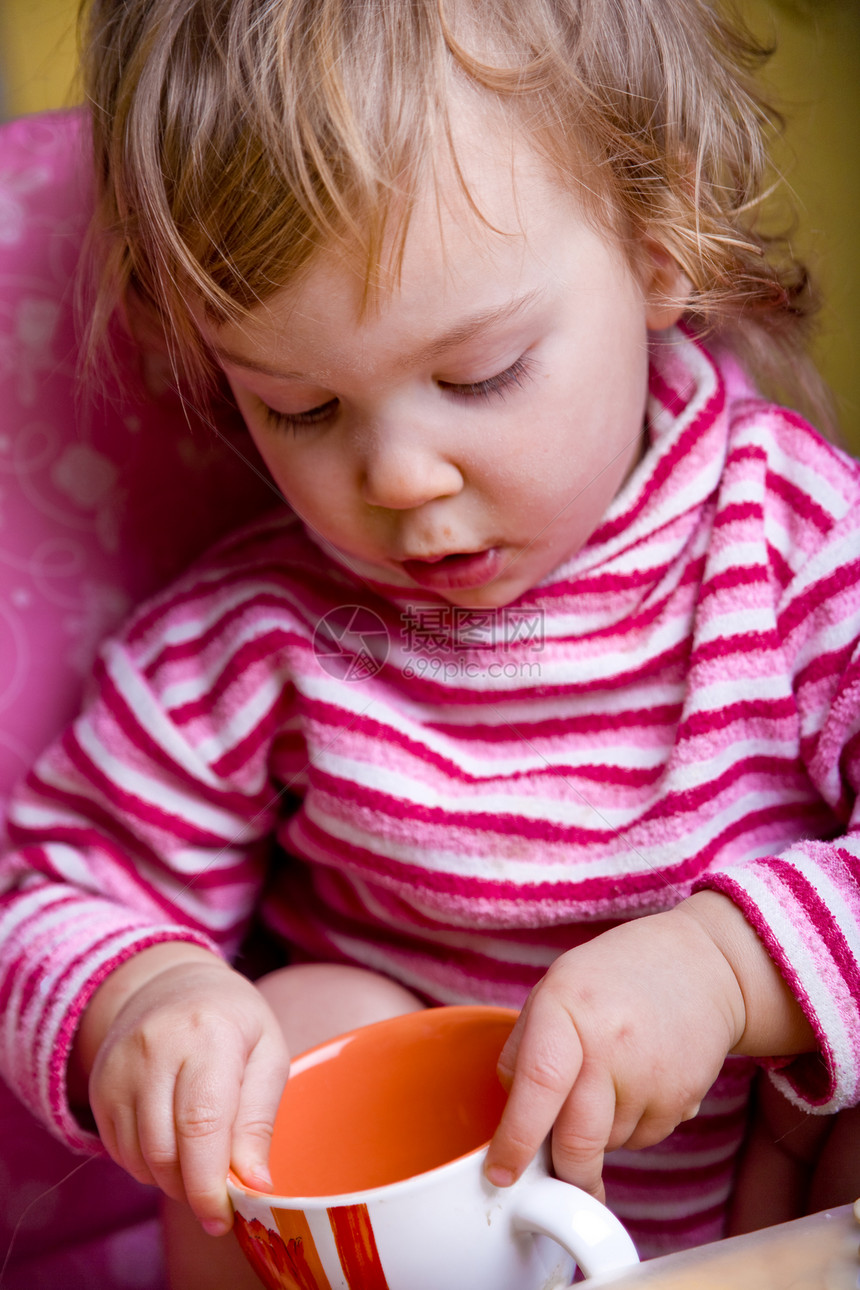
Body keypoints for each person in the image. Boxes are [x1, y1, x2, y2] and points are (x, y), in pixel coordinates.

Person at [1, 0, 859, 1285]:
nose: (398, 476)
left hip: (761, 1235)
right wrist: (139, 1000)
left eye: (479, 375)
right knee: (284, 1040)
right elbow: (51, 890)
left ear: (656, 243)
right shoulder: (266, 636)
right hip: (400, 1257)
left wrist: (729, 973)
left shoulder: (793, 549)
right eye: (300, 408)